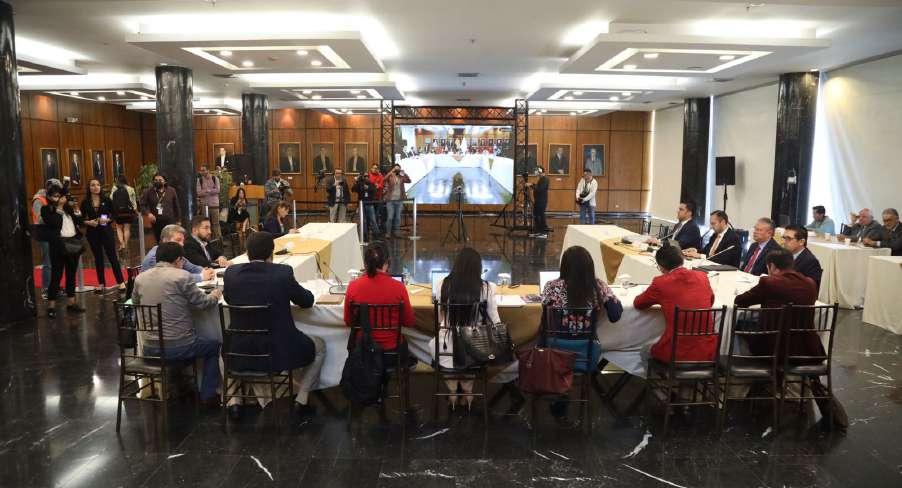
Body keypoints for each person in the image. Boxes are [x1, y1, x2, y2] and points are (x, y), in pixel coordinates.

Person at [733, 248, 847, 429]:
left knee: (740, 326)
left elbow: (740, 301)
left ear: (771, 266)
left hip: (775, 349)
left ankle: (755, 381)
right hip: (807, 348)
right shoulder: (810, 283)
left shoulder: (769, 282)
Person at [223, 232, 324, 419]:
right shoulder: (282, 273)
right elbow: (306, 301)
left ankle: (234, 401)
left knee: (222, 347)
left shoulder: (231, 274)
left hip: (240, 350)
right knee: (320, 346)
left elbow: (228, 299)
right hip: (278, 351)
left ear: (247, 252)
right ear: (272, 253)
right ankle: (301, 399)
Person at [133, 242, 223, 407]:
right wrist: (216, 294)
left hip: (150, 347)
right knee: (214, 345)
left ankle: (179, 385)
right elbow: (203, 303)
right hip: (179, 347)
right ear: (178, 260)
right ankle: (208, 395)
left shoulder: (140, 278)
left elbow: (136, 303)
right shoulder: (182, 276)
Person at [542, 246, 623, 424]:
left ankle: (560, 396)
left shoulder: (551, 286)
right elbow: (615, 315)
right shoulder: (599, 286)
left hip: (555, 353)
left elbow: (545, 318)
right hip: (586, 354)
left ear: (564, 266)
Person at [430, 247, 503, 411]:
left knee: (443, 349)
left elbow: (440, 318)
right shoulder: (486, 288)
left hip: (446, 347)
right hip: (474, 348)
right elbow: (495, 321)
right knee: (471, 350)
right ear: (478, 267)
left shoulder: (442, 285)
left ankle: (452, 391)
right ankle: (468, 391)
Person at [634, 242, 716, 363]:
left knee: (644, 351)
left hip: (676, 352)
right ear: (682, 260)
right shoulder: (702, 276)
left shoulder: (660, 283)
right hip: (708, 351)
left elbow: (638, 304)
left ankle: (660, 375)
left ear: (661, 266)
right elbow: (711, 301)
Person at [344, 241, 416, 368]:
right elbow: (409, 322)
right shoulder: (399, 287)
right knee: (409, 355)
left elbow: (349, 321)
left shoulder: (353, 286)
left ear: (365, 264)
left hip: (364, 350)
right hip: (392, 351)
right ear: (387, 263)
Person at [41, 187, 86, 318]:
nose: (59, 198)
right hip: (58, 246)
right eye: (55, 196)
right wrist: (59, 207)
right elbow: (54, 223)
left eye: (60, 195)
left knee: (71, 275)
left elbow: (79, 221)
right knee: (56, 276)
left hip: (73, 244)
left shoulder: (68, 208)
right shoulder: (47, 209)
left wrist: (76, 208)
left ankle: (71, 303)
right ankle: (51, 306)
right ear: (49, 197)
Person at [80, 179, 125, 293]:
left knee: (112, 256)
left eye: (98, 185)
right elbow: (81, 218)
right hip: (92, 232)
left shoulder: (106, 200)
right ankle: (101, 283)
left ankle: (121, 282)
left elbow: (114, 214)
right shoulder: (85, 202)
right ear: (89, 188)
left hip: (106, 231)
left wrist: (106, 220)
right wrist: (88, 222)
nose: (96, 187)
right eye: (93, 185)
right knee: (98, 258)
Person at [141, 224, 214, 283]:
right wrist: (201, 277)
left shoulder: (174, 253)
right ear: (165, 240)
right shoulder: (154, 257)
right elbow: (172, 278)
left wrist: (205, 271)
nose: (182, 244)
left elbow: (192, 268)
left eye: (182, 241)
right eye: (178, 240)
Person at [32, 178, 61, 299]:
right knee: (48, 262)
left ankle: (54, 288)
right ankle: (46, 289)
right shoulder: (39, 200)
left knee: (56, 262)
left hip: (55, 233)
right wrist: (54, 216)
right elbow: (39, 219)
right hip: (43, 233)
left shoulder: (55, 199)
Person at [139, 173, 180, 243]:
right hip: (156, 221)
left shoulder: (171, 190)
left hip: (170, 220)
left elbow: (176, 205)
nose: (157, 182)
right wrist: (148, 214)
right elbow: (142, 205)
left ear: (165, 181)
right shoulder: (148, 191)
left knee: (170, 239)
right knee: (159, 240)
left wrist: (178, 220)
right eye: (155, 180)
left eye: (160, 180)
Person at [382, 163, 410, 238]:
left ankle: (397, 233)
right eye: (396, 169)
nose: (397, 170)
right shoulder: (390, 176)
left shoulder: (401, 177)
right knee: (390, 217)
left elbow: (409, 180)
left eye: (398, 169)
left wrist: (404, 173)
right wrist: (391, 171)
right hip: (390, 200)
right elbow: (384, 179)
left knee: (398, 218)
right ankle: (388, 233)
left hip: (399, 200)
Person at [111, 174, 137, 252]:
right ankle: (126, 244)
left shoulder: (114, 188)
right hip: (128, 212)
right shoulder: (131, 189)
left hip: (118, 212)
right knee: (127, 228)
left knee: (118, 228)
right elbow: (133, 202)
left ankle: (122, 244)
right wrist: (135, 210)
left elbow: (111, 198)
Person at [195, 166, 221, 239]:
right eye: (201, 170)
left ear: (208, 170)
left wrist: (207, 190)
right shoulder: (199, 180)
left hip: (214, 205)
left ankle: (218, 241)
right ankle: (207, 241)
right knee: (206, 224)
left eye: (203, 170)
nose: (202, 172)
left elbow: (218, 190)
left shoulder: (215, 178)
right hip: (205, 206)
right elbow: (199, 193)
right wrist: (210, 190)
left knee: (216, 224)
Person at [353, 172, 381, 239]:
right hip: (361, 204)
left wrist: (368, 188)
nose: (366, 177)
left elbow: (374, 190)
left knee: (373, 219)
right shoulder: (360, 184)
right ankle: (365, 234)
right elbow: (353, 189)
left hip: (370, 204)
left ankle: (377, 233)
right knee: (363, 220)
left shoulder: (371, 184)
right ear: (363, 177)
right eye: (365, 176)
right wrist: (356, 182)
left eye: (367, 176)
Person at [527, 166, 549, 238]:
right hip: (538, 201)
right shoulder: (541, 179)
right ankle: (538, 231)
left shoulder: (545, 179)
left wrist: (532, 185)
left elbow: (540, 189)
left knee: (540, 216)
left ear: (540, 172)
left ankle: (543, 233)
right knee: (536, 215)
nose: (536, 173)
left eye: (537, 171)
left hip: (541, 201)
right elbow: (538, 187)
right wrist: (532, 185)